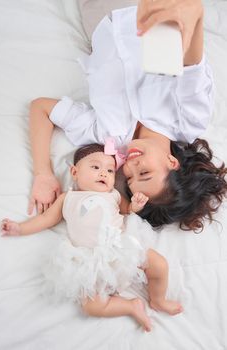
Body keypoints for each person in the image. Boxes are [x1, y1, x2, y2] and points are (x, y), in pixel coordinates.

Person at [28, 0, 227, 231]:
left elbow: (41, 109)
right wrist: (194, 13)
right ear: (172, 162)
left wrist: (43, 173)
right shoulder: (189, 121)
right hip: (149, 10)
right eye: (144, 172)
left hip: (98, 16)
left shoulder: (106, 135)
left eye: (130, 179)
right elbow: (192, 62)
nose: (131, 167)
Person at [1, 143, 183, 332]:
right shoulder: (67, 198)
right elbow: (46, 219)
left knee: (159, 265)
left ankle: (158, 300)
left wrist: (135, 207)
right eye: (95, 167)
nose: (104, 173)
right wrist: (19, 228)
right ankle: (131, 306)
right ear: (74, 172)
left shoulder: (114, 195)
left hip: (121, 247)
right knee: (91, 306)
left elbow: (127, 212)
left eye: (110, 170)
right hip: (91, 262)